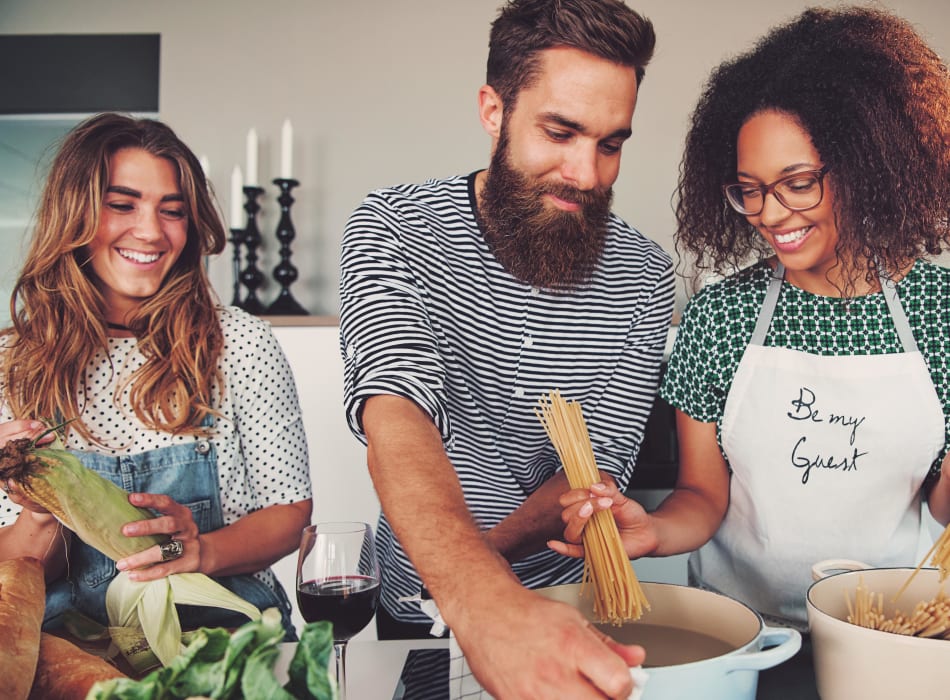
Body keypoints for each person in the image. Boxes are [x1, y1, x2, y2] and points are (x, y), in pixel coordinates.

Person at [554, 5, 950, 634]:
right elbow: (703, 497)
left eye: (797, 182)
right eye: (752, 189)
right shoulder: (723, 316)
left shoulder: (940, 312)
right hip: (741, 631)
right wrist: (651, 530)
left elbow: (940, 503)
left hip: (891, 633)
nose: (771, 214)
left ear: (868, 163)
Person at [340, 0, 673, 695]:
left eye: (611, 143)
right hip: (426, 610)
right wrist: (482, 598)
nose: (587, 172)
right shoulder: (393, 227)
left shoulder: (645, 275)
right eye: (561, 132)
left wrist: (494, 570)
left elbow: (594, 471)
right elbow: (396, 419)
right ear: (494, 111)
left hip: (575, 610)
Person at [0, 113, 313, 640]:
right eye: (121, 205)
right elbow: (22, 567)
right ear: (73, 213)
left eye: (172, 211)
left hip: (224, 638)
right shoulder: (16, 363)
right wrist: (40, 513)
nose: (150, 231)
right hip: (74, 653)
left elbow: (289, 512)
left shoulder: (238, 343)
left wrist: (202, 549)